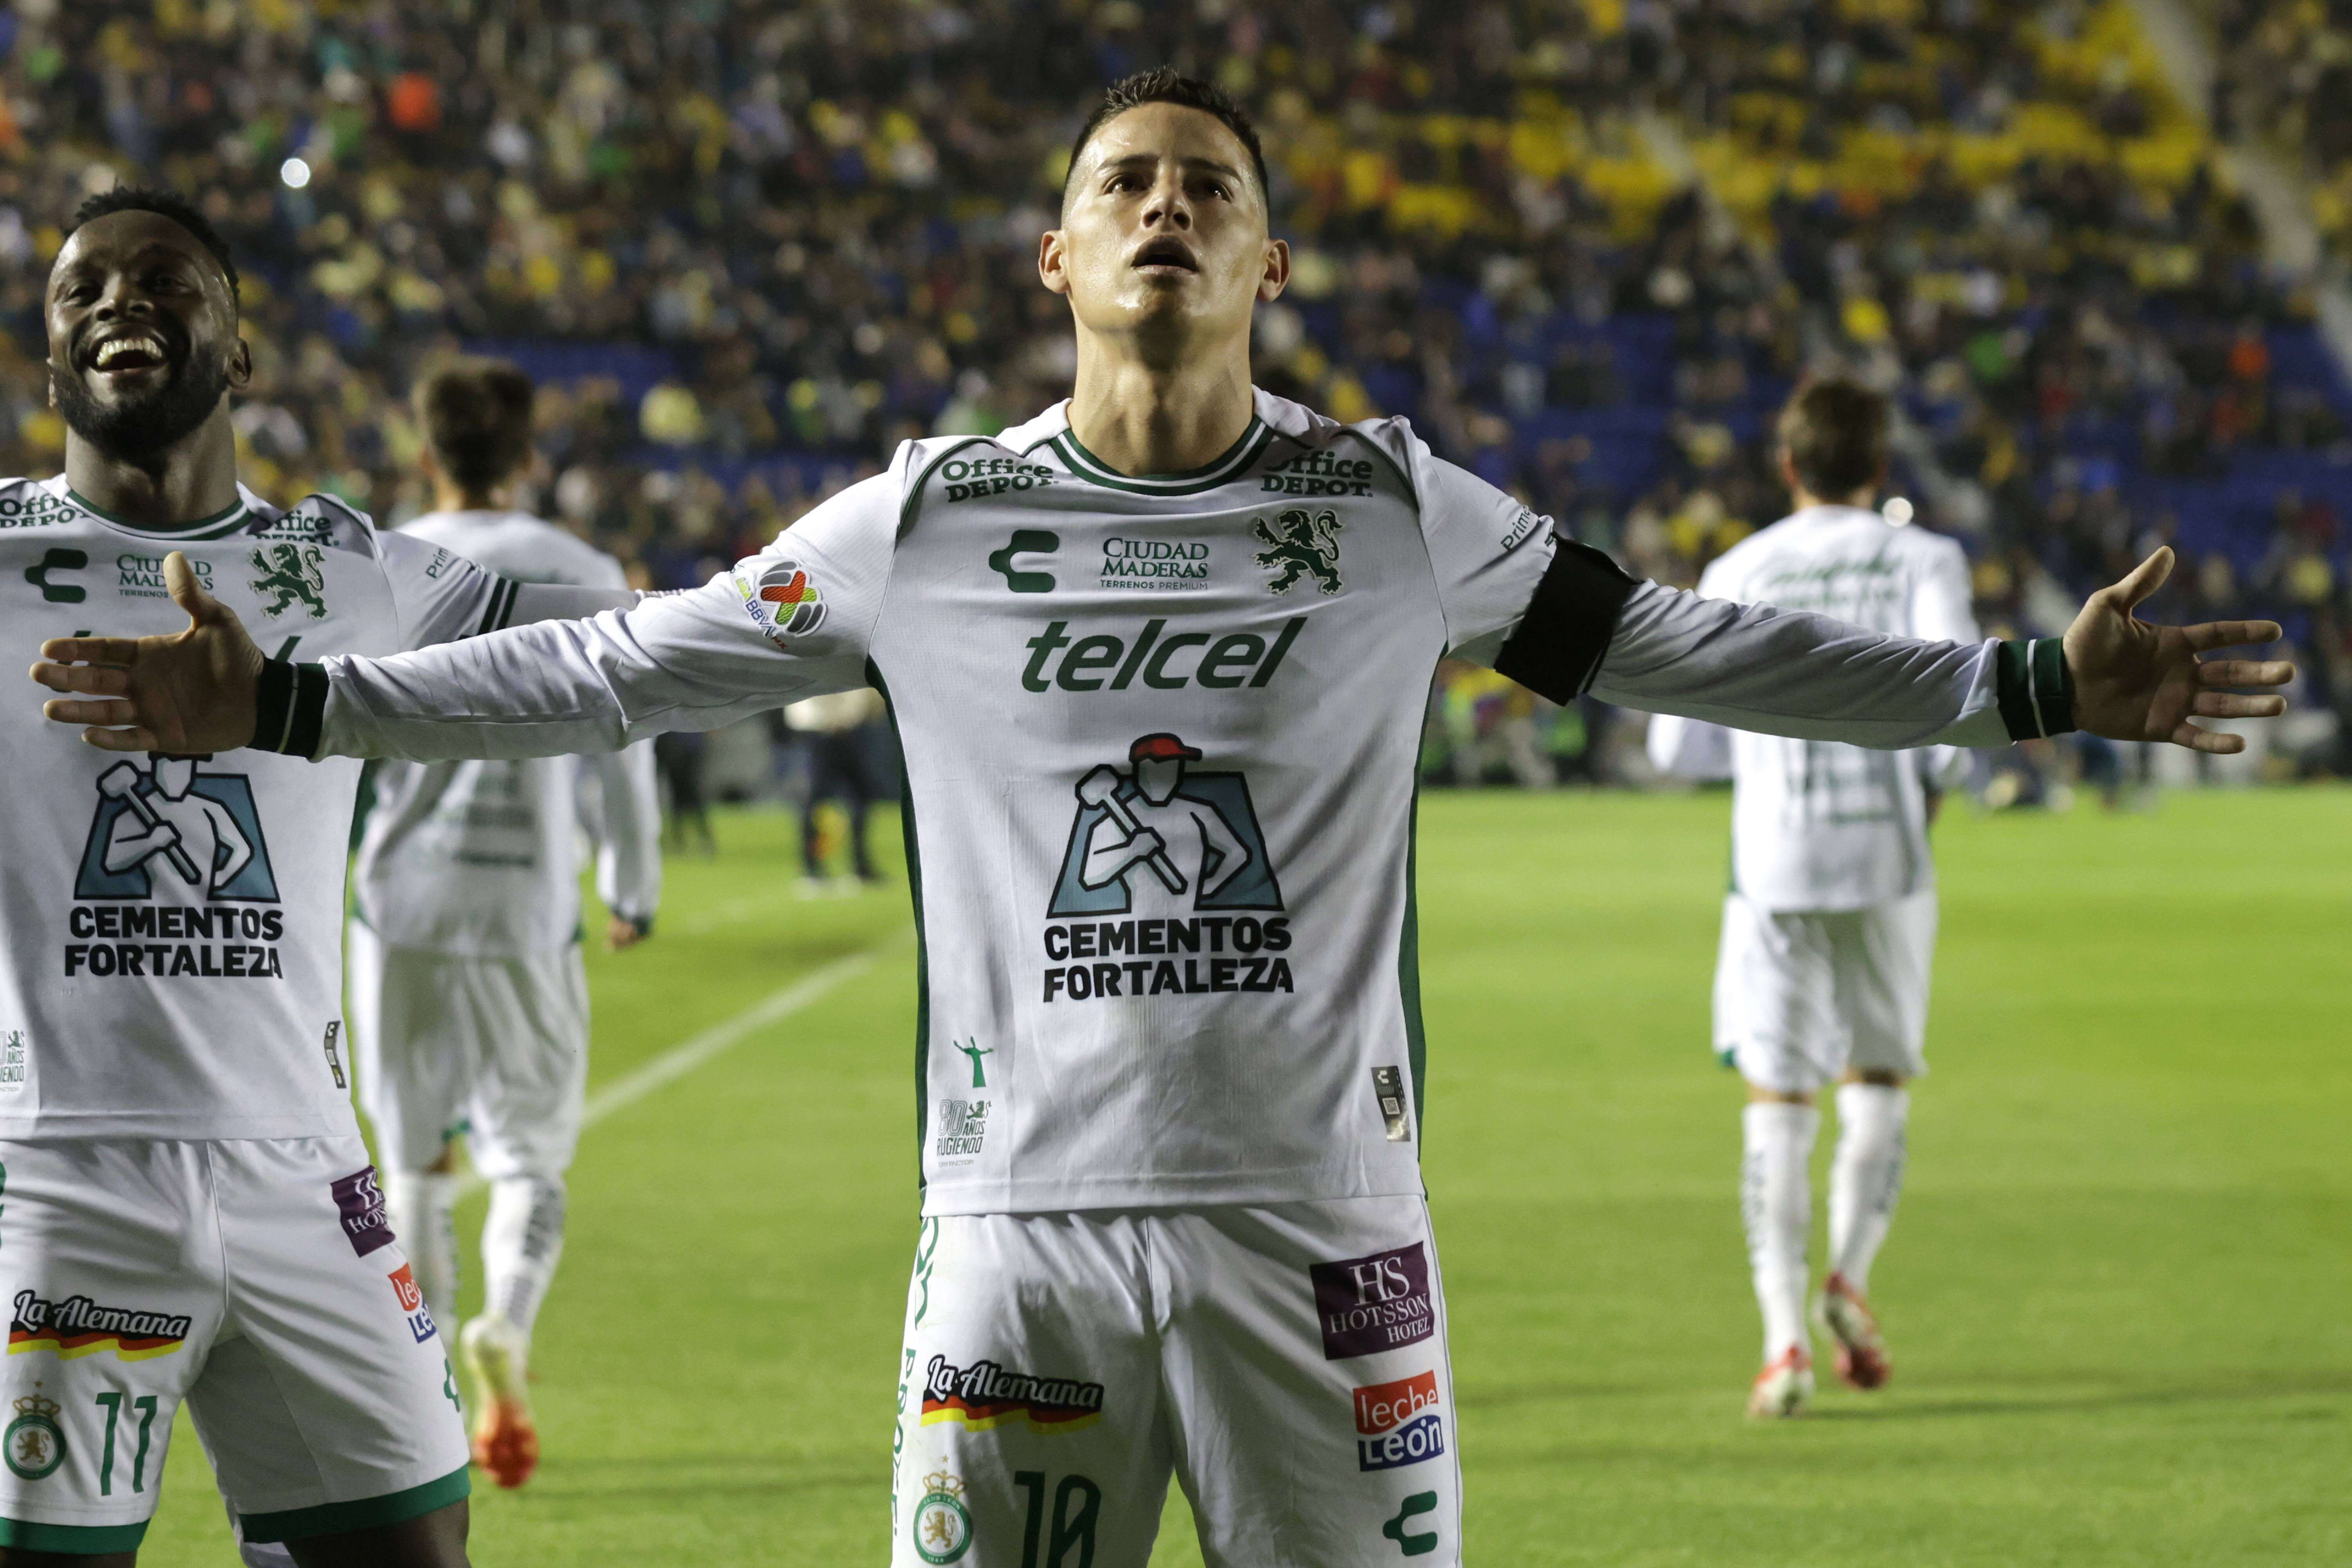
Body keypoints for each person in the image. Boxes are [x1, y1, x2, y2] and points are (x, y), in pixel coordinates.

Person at [32, 79, 2291, 1568]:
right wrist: (301, 694)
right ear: (1051, 262)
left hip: (1329, 1234)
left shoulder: (1381, 499)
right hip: (1013, 1225)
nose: (1166, 207)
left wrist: (2012, 685)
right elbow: (624, 665)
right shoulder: (929, 519)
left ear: (1266, 269)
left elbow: (1676, 642)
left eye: (1210, 187)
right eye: (1122, 181)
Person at [0, 188, 634, 1568]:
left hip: (309, 1177)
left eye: (166, 279)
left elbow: (612, 656)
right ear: (50, 358)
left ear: (240, 354)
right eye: (82, 288)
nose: (119, 300)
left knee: (419, 1552)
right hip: (55, 1175)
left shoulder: (346, 569)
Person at [345, 361, 662, 1489]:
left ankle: (428, 1397)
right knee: (530, 1157)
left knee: (417, 1164)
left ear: (426, 456)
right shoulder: (581, 570)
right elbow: (628, 734)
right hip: (527, 906)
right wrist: (632, 884)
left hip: (401, 904)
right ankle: (510, 1328)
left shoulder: (382, 567)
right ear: (531, 461)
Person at [1648, 379, 1975, 1417]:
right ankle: (1852, 1276)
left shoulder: (1740, 567)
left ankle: (1783, 1342)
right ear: (1880, 468)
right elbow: (1960, 691)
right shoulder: (1926, 558)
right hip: (1888, 855)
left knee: (1780, 1102)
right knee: (1877, 1079)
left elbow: (1674, 743)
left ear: (1788, 467)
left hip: (1774, 862)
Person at [783, 686, 889, 890]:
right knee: (814, 800)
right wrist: (834, 719)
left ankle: (859, 866)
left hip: (842, 729)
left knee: (859, 798)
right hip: (820, 730)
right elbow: (817, 681)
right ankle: (813, 867)